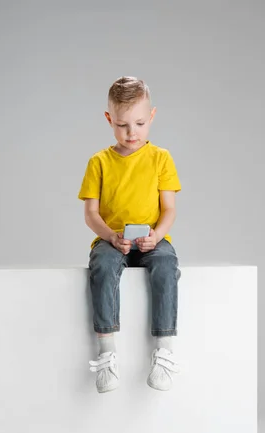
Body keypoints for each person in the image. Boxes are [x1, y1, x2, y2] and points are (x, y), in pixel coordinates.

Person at [78, 76, 182, 393]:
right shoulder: (99, 162)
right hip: (114, 240)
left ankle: (164, 352)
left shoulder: (161, 158)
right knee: (103, 268)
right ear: (109, 120)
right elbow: (91, 214)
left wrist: (157, 235)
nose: (131, 133)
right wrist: (109, 236)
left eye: (139, 123)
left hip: (151, 238)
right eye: (122, 125)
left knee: (166, 265)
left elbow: (169, 209)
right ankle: (106, 355)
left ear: (151, 117)